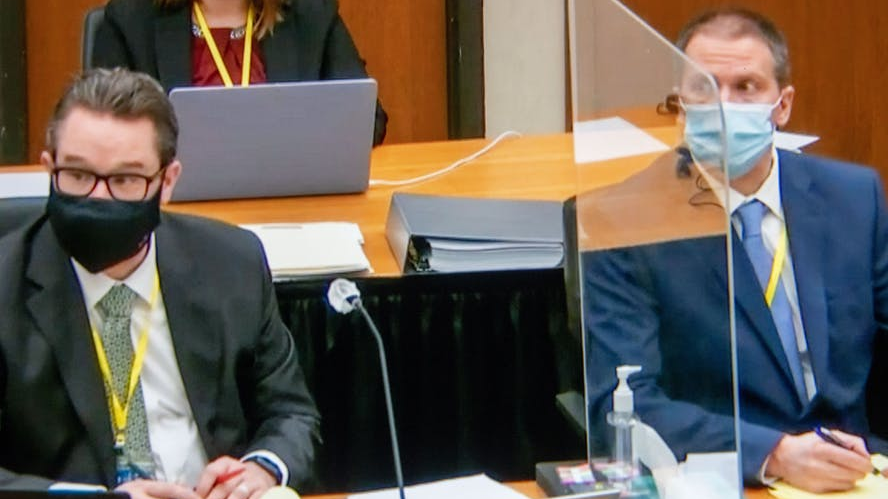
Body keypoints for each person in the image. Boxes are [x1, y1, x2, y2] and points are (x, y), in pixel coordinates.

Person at [582, 7, 888, 494]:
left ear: (782, 105)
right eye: (704, 89)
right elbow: (624, 403)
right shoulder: (625, 218)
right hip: (730, 479)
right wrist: (774, 453)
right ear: (680, 105)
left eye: (745, 87)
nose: (723, 106)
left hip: (858, 474)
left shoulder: (854, 197)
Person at [0, 68, 320, 499]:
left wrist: (260, 469)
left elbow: (290, 412)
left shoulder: (231, 263)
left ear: (167, 182)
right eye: (77, 175)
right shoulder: (6, 282)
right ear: (48, 167)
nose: (97, 197)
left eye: (124, 180)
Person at [93, 0, 388, 145]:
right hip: (176, 207)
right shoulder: (130, 20)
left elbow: (367, 121)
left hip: (289, 200)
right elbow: (103, 127)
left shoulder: (310, 12)